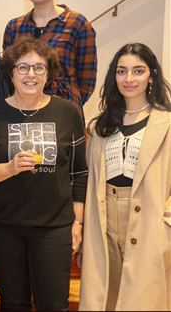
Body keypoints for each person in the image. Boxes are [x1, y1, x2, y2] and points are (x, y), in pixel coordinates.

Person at [0, 37, 87, 310]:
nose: (31, 75)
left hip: (54, 228)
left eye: (39, 68)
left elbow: (80, 173)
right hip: (4, 227)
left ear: (48, 73)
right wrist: (10, 168)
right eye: (23, 67)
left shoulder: (68, 112)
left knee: (54, 304)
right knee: (13, 304)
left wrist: (78, 224)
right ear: (10, 73)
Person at [79, 43, 171, 310]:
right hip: (105, 218)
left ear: (151, 75)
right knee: (106, 295)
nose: (129, 79)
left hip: (150, 219)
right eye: (122, 71)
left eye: (138, 71)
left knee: (143, 298)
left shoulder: (166, 123)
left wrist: (167, 219)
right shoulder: (99, 126)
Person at [3, 0, 97, 108]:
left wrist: (68, 105)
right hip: (23, 112)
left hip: (64, 111)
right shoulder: (14, 27)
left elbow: (87, 81)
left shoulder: (78, 24)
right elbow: (8, 76)